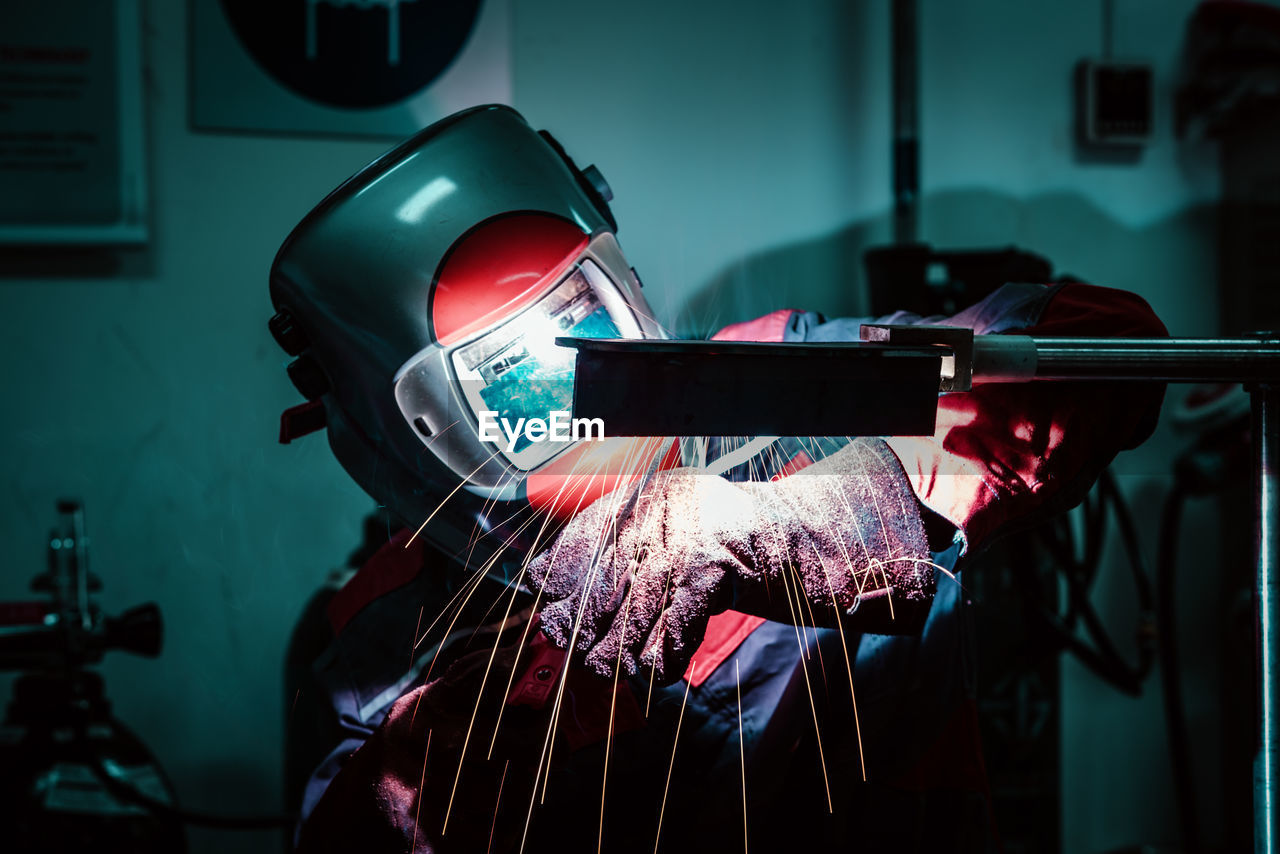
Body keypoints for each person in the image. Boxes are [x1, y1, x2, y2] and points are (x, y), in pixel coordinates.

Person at [267, 105, 1166, 852]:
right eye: (510, 391)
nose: (569, 410)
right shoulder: (385, 649)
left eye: (581, 341)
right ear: (402, 433)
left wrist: (795, 519)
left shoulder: (787, 384)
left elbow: (1103, 349)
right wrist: (433, 755)